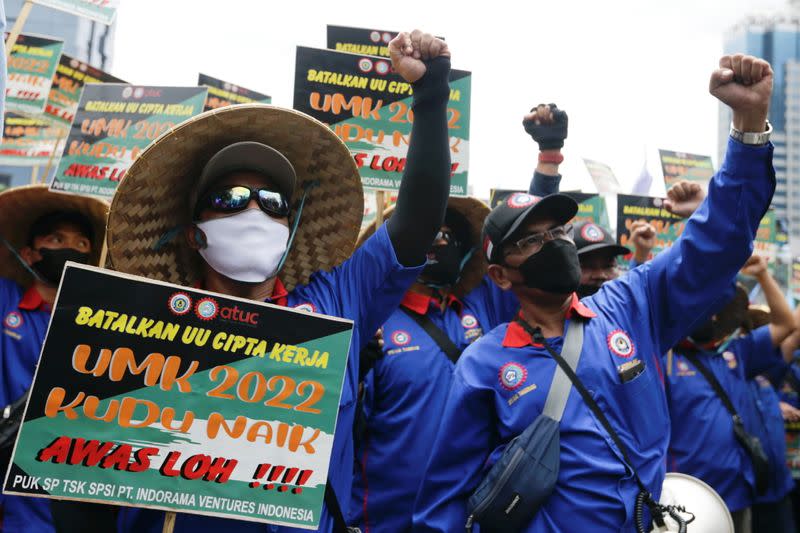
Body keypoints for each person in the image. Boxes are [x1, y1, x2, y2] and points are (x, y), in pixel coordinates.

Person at [104, 30, 452, 533]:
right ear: (194, 235)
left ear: (289, 230)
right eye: (229, 199)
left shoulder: (336, 301)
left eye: (272, 204)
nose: (252, 209)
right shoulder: (145, 323)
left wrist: (431, 93)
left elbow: (417, 218)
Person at [412, 53, 776, 532]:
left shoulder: (631, 306)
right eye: (531, 240)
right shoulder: (482, 365)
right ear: (501, 277)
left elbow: (719, 240)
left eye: (558, 231)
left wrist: (748, 126)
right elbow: (443, 504)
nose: (555, 244)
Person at [0, 185, 108, 533]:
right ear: (30, 254)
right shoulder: (6, 299)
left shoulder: (102, 321)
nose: (70, 250)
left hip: (61, 470)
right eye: (57, 240)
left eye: (81, 244)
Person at [664, 254, 795, 533]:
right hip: (687, 499)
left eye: (715, 309)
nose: (709, 315)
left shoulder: (736, 353)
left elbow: (786, 325)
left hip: (738, 493)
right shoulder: (666, 358)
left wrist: (762, 275)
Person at [743, 305, 798, 533]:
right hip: (752, 496)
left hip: (781, 491)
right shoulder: (735, 372)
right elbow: (792, 331)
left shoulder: (768, 376)